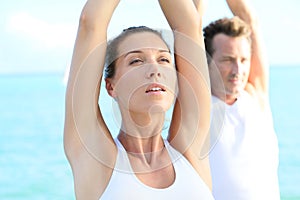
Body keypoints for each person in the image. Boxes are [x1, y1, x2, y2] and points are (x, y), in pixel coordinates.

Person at [63, 0, 214, 199]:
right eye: (136, 61)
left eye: (163, 60)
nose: (155, 70)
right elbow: (91, 24)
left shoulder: (190, 153)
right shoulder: (97, 160)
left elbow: (189, 24)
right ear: (111, 86)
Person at [204, 0, 280, 199]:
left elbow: (251, 21)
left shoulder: (256, 95)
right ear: (207, 60)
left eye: (244, 60)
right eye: (227, 60)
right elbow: (188, 26)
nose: (238, 70)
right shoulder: (198, 107)